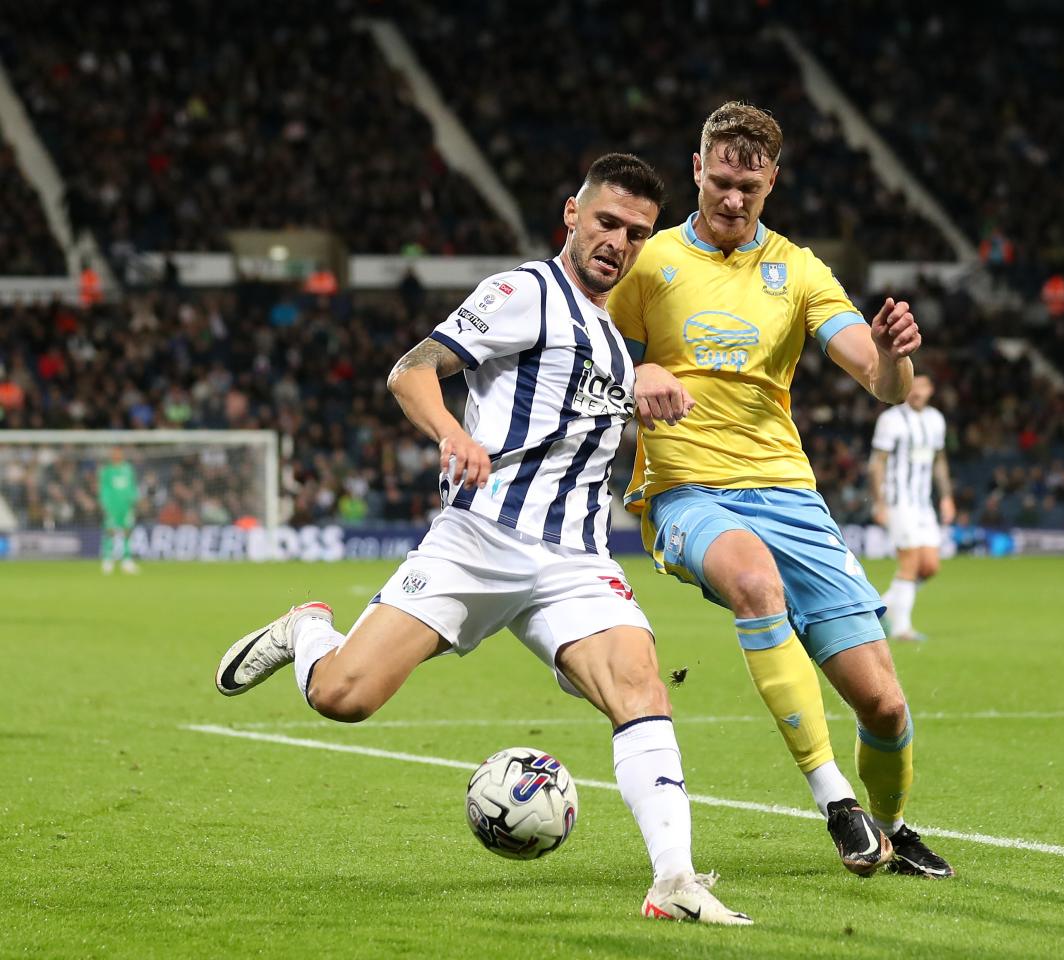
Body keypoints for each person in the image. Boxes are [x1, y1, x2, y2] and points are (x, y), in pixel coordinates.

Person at [213, 153, 751, 925]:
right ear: (572, 214)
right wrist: (450, 433)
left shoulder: (612, 333)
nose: (618, 242)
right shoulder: (523, 293)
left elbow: (584, 407)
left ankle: (674, 880)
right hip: (479, 538)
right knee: (343, 697)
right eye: (606, 222)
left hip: (573, 561)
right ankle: (309, 631)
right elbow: (410, 371)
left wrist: (644, 384)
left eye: (636, 232)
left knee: (640, 685)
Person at [609, 102, 954, 878]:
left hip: (788, 494)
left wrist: (897, 355)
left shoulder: (799, 270)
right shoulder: (651, 262)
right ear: (697, 168)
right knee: (754, 583)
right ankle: (837, 802)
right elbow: (592, 352)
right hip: (686, 489)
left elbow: (879, 380)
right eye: (721, 181)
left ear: (773, 182)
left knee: (886, 706)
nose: (733, 199)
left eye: (750, 188)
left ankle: (893, 828)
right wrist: (638, 370)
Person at [869, 372, 953, 642]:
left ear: (931, 390)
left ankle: (881, 607)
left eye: (923, 386)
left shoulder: (936, 419)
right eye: (913, 386)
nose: (917, 391)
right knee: (910, 562)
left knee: (929, 566)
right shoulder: (891, 419)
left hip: (923, 503)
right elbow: (876, 463)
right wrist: (880, 503)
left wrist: (946, 497)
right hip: (899, 501)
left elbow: (939, 460)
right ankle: (902, 628)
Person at [98, 447, 139, 574]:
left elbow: (132, 487)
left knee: (127, 531)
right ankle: (107, 560)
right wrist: (105, 504)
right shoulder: (107, 471)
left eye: (119, 454)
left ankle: (127, 560)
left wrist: (133, 501)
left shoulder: (128, 469)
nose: (117, 456)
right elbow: (104, 489)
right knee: (110, 532)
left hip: (126, 507)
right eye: (114, 454)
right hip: (112, 507)